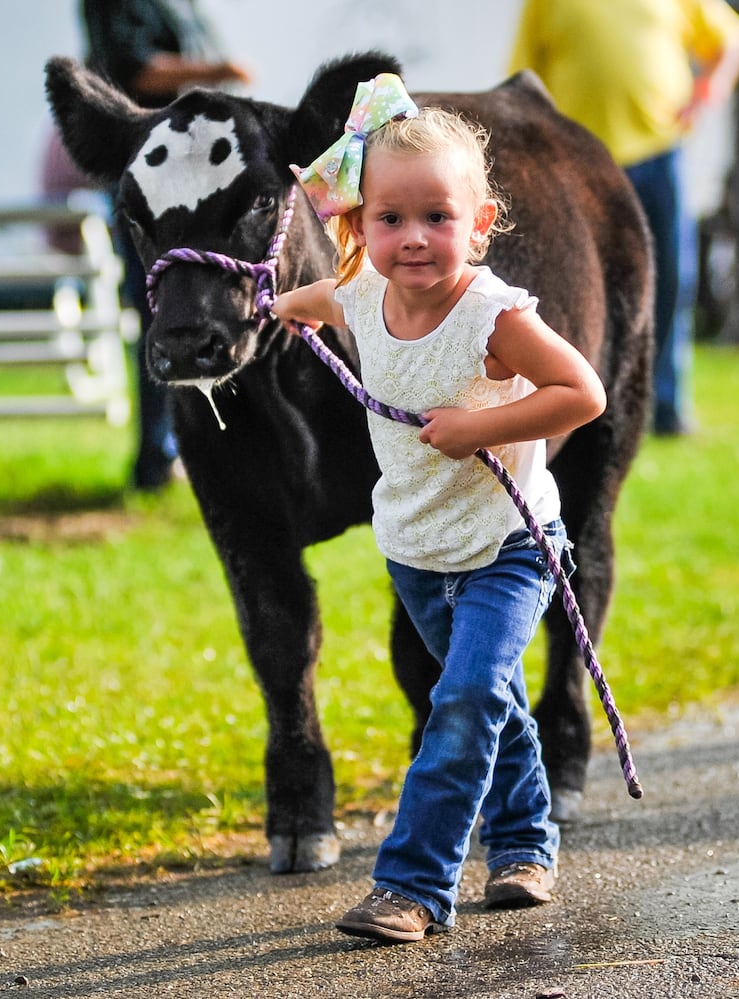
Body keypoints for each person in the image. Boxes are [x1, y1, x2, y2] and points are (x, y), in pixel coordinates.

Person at [271, 74, 607, 944]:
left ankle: (413, 886)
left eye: (437, 217)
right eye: (389, 219)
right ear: (357, 225)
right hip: (417, 551)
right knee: (486, 698)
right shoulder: (358, 299)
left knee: (461, 703)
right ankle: (527, 841)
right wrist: (276, 311)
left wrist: (483, 425)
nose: (413, 239)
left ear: (481, 224)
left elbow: (583, 392)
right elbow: (313, 301)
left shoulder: (493, 316)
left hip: (509, 545)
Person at [508, 0, 739, 435]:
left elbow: (732, 39)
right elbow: (524, 76)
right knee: (579, 286)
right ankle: (580, 403)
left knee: (669, 281)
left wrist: (709, 90)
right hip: (580, 161)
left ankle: (666, 406)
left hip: (658, 157)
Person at [78, 0, 252, 489]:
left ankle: (203, 450)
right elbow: (135, 71)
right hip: (148, 177)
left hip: (183, 172)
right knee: (163, 312)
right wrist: (216, 70)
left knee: (207, 308)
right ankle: (160, 455)